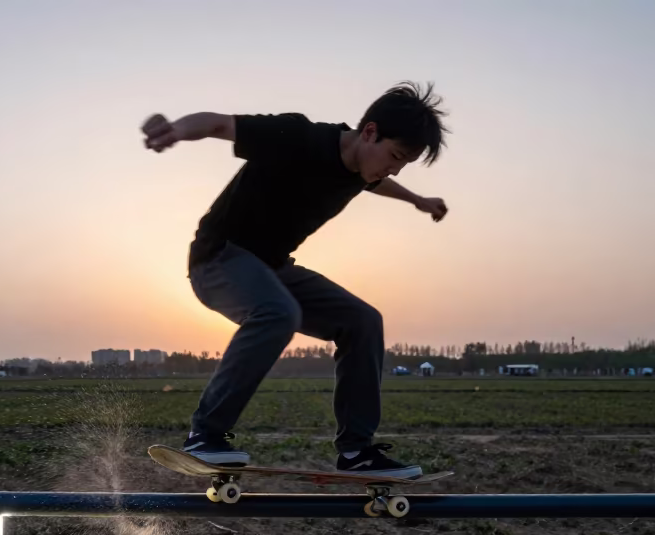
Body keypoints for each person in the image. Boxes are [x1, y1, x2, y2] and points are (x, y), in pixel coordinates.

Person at [142, 81, 449, 477]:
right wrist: (175, 130)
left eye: (403, 163)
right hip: (218, 258)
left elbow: (377, 182)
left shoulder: (364, 167)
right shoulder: (297, 136)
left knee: (363, 321)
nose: (393, 168)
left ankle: (356, 453)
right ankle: (205, 435)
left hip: (273, 268)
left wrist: (417, 200)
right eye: (395, 156)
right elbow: (219, 124)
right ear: (370, 132)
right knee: (278, 313)